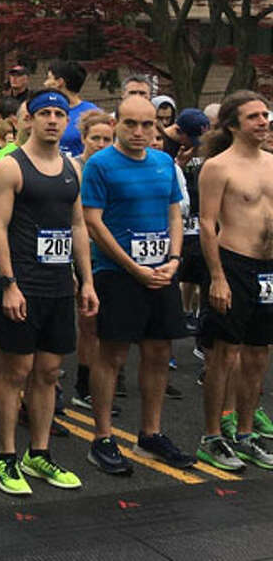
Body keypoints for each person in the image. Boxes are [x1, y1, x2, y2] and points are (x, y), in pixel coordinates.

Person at [0, 90, 98, 495]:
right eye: (44, 113)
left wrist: (86, 280)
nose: (52, 119)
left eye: (59, 113)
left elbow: (78, 226)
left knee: (49, 372)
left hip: (58, 286)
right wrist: (8, 283)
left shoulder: (72, 168)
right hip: (23, 285)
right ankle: (5, 456)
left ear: (67, 120)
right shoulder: (9, 168)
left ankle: (39, 451)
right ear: (28, 119)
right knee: (16, 371)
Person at [82, 95, 196, 474]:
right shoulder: (100, 165)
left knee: (159, 351)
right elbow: (93, 223)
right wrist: (133, 267)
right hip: (117, 274)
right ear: (117, 123)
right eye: (131, 124)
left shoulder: (164, 163)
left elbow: (174, 215)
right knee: (111, 354)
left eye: (148, 125)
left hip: (161, 272)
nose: (139, 132)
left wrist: (174, 260)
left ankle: (151, 433)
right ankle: (102, 437)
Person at [196, 91, 273, 470]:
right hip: (234, 264)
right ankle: (212, 436)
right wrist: (217, 277)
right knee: (225, 354)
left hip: (268, 269)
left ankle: (245, 434)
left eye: (265, 115)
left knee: (259, 355)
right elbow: (207, 225)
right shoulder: (218, 166)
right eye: (254, 117)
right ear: (232, 125)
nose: (263, 121)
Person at [71, 110, 116, 410]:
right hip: (80, 251)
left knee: (108, 324)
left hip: (110, 251)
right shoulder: (74, 167)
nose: (100, 143)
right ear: (84, 138)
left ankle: (108, 377)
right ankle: (83, 384)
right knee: (88, 323)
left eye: (106, 139)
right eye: (95, 138)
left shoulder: (115, 168)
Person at [43, 60, 99, 156]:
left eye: (49, 78)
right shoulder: (44, 110)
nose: (45, 83)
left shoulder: (92, 114)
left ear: (59, 82)